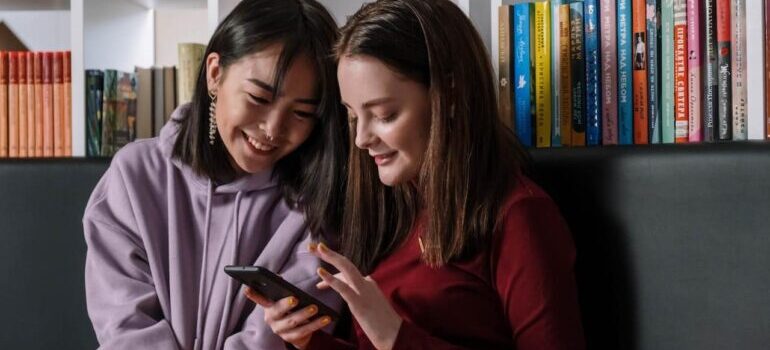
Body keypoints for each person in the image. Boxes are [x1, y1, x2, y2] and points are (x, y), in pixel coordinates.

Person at [247, 0, 586, 349]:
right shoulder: (389, 211)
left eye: (384, 114)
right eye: (352, 116)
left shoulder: (519, 217)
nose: (362, 139)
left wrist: (394, 336)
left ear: (449, 95)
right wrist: (309, 342)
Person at [82, 0, 348, 349]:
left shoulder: (318, 200)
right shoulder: (135, 177)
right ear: (214, 73)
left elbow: (283, 335)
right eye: (258, 97)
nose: (272, 129)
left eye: (300, 113)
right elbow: (124, 327)